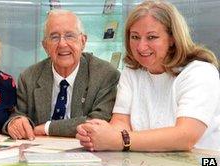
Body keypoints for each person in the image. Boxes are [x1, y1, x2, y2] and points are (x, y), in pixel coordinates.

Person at [76, 0, 220, 152]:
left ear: (172, 38)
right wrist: (99, 133)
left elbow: (185, 137)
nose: (141, 46)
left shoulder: (200, 72)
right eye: (135, 37)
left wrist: (119, 140)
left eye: (151, 37)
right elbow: (121, 122)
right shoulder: (131, 72)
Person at [5, 9, 120, 139]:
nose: (62, 44)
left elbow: (98, 122)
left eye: (69, 35)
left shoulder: (105, 74)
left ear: (83, 41)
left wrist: (48, 128)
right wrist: (16, 122)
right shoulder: (29, 77)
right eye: (54, 37)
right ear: (45, 46)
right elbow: (18, 114)